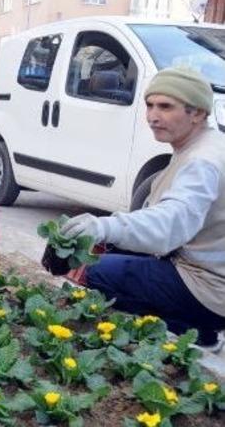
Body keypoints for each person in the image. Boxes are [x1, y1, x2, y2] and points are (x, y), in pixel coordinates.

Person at [59, 67, 225, 351]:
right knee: (109, 252)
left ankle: (188, 331)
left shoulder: (202, 162)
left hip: (207, 287)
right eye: (150, 105)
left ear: (197, 113)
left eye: (165, 106)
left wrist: (103, 227)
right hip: (204, 273)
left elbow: (170, 224)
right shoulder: (205, 146)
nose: (152, 116)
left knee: (92, 272)